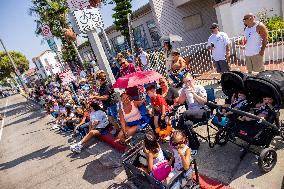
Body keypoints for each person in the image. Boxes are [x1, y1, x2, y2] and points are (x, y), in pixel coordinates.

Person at [174, 73, 207, 155]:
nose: (187, 84)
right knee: (187, 124)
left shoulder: (199, 88)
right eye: (185, 82)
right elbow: (180, 102)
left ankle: (176, 134)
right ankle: (195, 146)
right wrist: (183, 94)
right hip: (191, 114)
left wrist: (193, 93)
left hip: (202, 112)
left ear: (193, 80)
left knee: (184, 113)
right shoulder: (184, 89)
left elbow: (204, 101)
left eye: (189, 81)